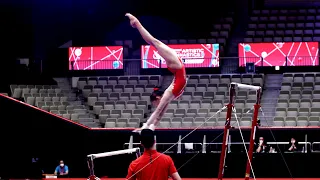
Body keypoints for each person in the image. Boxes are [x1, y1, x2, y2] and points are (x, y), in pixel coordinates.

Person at [126, 13, 187, 131]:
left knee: (153, 42)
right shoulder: (169, 95)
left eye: (155, 103)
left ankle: (136, 22)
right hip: (177, 65)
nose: (156, 105)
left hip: (177, 65)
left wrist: (145, 127)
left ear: (158, 98)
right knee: (154, 42)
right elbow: (160, 114)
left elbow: (159, 112)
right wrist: (152, 128)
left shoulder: (168, 94)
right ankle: (136, 23)